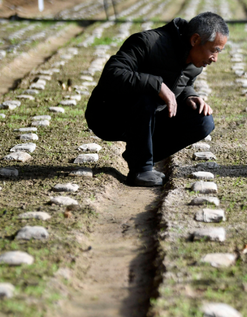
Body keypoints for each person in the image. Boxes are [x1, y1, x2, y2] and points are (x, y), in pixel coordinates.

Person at [85, 12, 228, 186]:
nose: (215, 59)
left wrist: (189, 95)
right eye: (214, 51)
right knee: (148, 95)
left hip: (150, 117)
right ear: (195, 40)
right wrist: (157, 85)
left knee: (203, 121)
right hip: (110, 116)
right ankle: (140, 170)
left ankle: (139, 154)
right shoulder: (147, 42)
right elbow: (112, 74)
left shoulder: (195, 63)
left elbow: (182, 82)